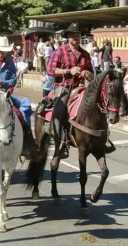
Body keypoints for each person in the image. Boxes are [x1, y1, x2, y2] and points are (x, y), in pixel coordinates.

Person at [46, 23, 95, 159]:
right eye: (73, 35)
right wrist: (69, 71)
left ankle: (103, 139)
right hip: (64, 86)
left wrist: (87, 73)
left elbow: (92, 73)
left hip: (82, 87)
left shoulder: (85, 54)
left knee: (99, 106)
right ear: (67, 37)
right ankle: (59, 144)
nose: (76, 38)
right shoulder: (59, 51)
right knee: (59, 111)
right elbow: (50, 70)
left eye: (77, 35)